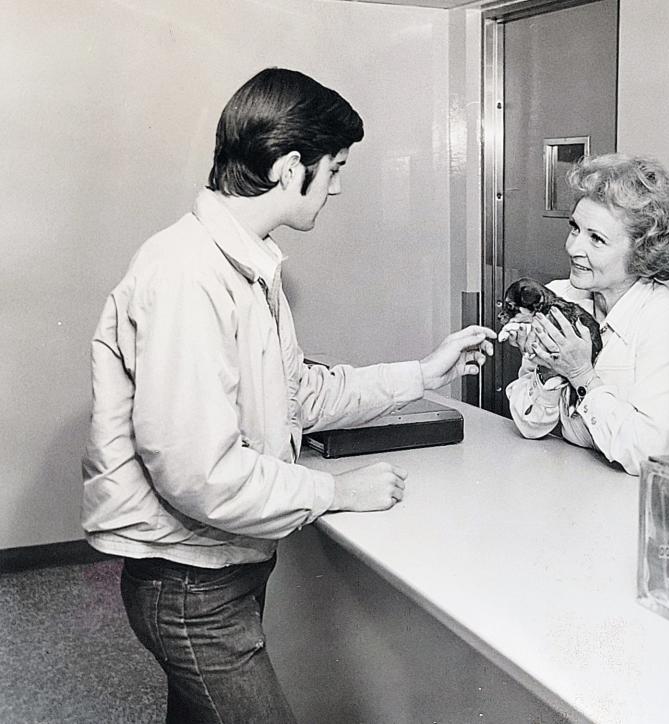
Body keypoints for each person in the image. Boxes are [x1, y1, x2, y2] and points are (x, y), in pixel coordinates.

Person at [81, 67, 494, 723]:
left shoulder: (244, 263)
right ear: (290, 167)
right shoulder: (189, 277)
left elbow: (302, 396)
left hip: (217, 569)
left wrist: (424, 372)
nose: (339, 186)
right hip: (193, 584)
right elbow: (199, 475)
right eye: (334, 169)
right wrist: (336, 491)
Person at [502, 153, 669, 475]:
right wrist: (549, 372)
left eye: (596, 239)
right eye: (575, 228)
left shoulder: (666, 321)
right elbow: (529, 425)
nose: (573, 247)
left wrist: (580, 376)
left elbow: (648, 453)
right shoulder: (559, 297)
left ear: (641, 252)